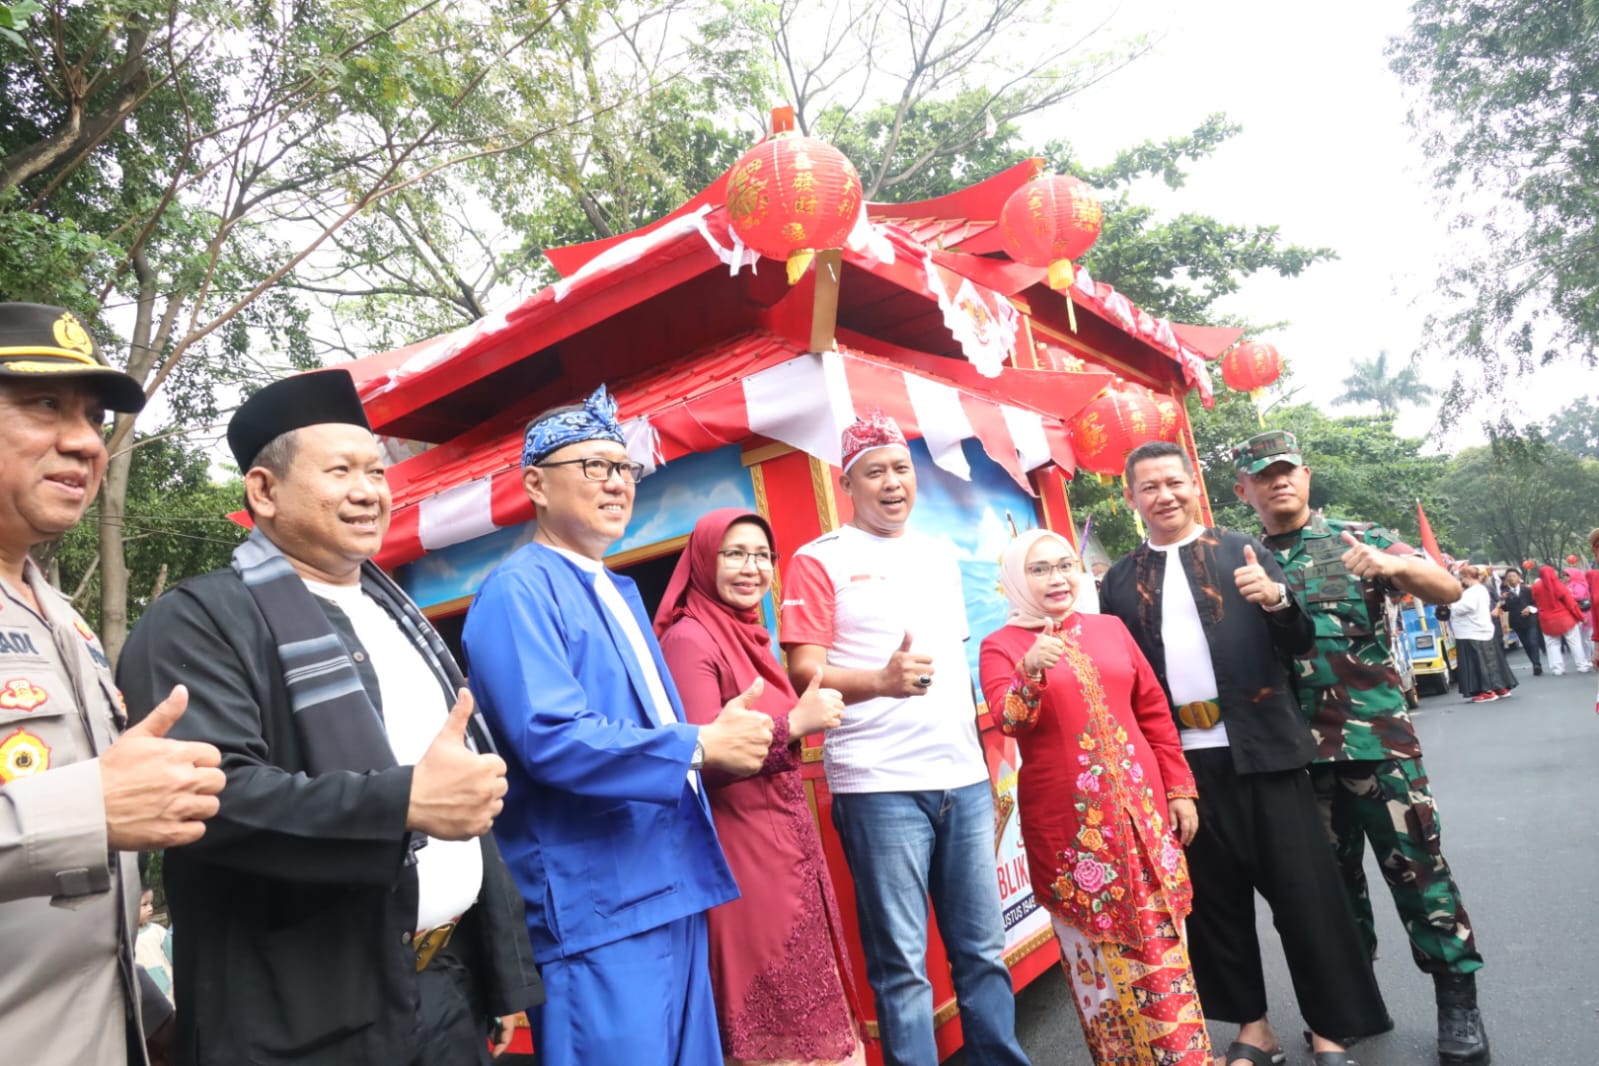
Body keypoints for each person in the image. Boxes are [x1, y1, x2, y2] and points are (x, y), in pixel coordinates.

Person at [118, 369, 541, 1066]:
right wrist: (402, 801)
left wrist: (491, 970)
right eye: (340, 470)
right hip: (300, 1014)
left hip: (445, 985)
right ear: (263, 491)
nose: (369, 491)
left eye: (377, 470)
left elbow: (461, 801)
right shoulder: (198, 621)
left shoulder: (400, 615)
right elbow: (206, 799)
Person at [462, 386, 775, 1066]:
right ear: (535, 485)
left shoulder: (616, 588)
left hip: (666, 877)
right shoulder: (518, 589)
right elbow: (550, 736)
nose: (614, 481)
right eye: (593, 466)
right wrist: (698, 743)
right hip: (596, 900)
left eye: (623, 467)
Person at [1100, 441, 1388, 1066]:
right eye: (1149, 487)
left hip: (1266, 751)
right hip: (1181, 768)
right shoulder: (1119, 579)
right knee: (1214, 904)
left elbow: (1300, 640)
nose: (1164, 496)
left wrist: (1278, 601)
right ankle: (1252, 1027)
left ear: (1194, 485)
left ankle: (1330, 1024)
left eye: (1174, 483)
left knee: (1305, 895)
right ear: (1131, 498)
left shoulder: (1241, 551)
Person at [0, 302, 225, 1066]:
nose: (84, 441)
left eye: (94, 418)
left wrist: (150, 1015)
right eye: (43, 405)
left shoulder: (66, 620)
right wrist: (83, 810)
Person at [1232, 429, 1489, 1065]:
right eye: (1264, 475)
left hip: (1380, 743)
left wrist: (1396, 566)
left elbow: (1448, 589)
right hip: (1295, 759)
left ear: (1307, 476)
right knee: (1329, 891)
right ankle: (1350, 1005)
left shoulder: (1359, 535)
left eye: (1287, 470)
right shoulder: (1238, 558)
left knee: (1421, 874)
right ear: (1244, 490)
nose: (1279, 481)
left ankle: (1458, 1006)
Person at [780, 411, 1029, 1066]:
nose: (891, 483)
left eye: (900, 469)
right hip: (877, 784)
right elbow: (802, 669)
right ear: (847, 483)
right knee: (900, 965)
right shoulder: (818, 560)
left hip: (964, 779)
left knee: (981, 950)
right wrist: (880, 680)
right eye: (874, 472)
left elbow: (953, 657)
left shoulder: (937, 554)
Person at [979, 529, 1212, 1066]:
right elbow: (1008, 720)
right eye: (1039, 569)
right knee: (1098, 972)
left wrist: (1179, 790)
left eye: (1065, 565)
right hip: (1072, 837)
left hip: (1143, 821)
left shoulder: (1109, 629)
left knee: (1165, 953)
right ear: (1016, 578)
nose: (1057, 578)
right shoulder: (1003, 645)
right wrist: (1031, 669)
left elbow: (1153, 710)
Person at [655, 508, 863, 1066]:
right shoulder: (690, 639)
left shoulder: (746, 633)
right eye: (733, 554)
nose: (751, 568)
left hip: (786, 850)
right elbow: (702, 758)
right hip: (744, 856)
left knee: (812, 1007)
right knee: (780, 1020)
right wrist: (793, 724)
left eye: (760, 556)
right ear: (702, 559)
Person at [1449, 566, 1516, 703]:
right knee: (1491, 661)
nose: (1461, 581)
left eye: (1462, 578)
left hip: (1471, 630)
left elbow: (1467, 607)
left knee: (1478, 662)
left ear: (1467, 577)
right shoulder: (1481, 589)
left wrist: (1451, 606)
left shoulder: (1472, 592)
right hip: (1483, 628)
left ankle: (1486, 691)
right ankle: (1499, 687)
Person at [1529, 562, 1590, 675]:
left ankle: (1557, 669)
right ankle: (1582, 666)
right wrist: (1581, 617)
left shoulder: (1536, 587)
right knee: (1575, 643)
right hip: (1565, 619)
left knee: (1552, 645)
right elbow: (1571, 604)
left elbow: (1535, 601)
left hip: (1547, 621)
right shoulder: (1559, 585)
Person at [1498, 567, 1542, 675]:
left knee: (1533, 642)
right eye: (1509, 577)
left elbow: (1537, 603)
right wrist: (1502, 601)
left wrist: (1530, 609)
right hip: (1517, 622)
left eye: (1513, 576)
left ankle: (1537, 664)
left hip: (1531, 620)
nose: (1511, 579)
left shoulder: (1527, 590)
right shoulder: (1505, 594)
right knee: (1526, 644)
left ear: (1519, 578)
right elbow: (1504, 609)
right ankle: (1534, 662)